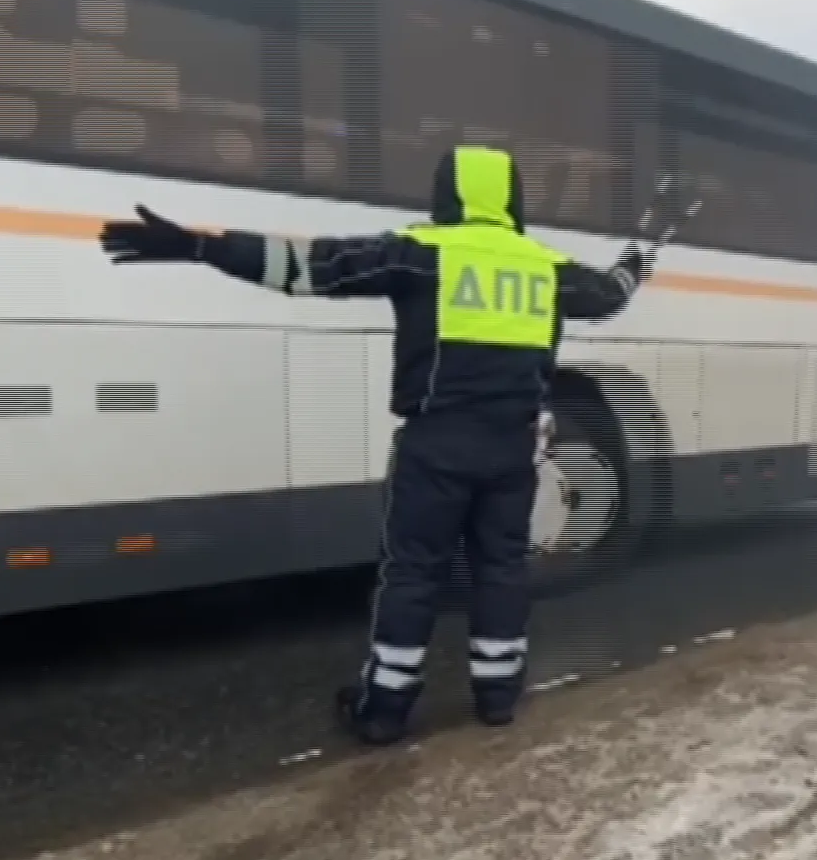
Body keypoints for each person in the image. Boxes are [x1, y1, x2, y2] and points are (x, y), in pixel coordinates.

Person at [100, 145, 647, 745]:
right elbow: (611, 295)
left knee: (414, 571)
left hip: (436, 444)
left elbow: (311, 264)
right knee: (502, 566)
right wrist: (632, 263)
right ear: (513, 197)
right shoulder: (545, 265)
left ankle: (385, 708)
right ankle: (497, 696)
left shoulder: (418, 253)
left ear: (446, 195)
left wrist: (204, 247)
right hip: (512, 451)